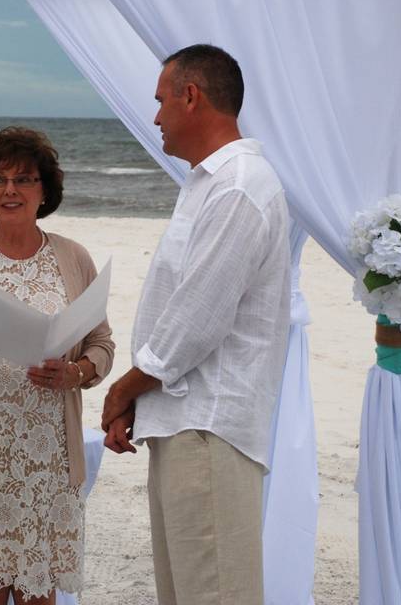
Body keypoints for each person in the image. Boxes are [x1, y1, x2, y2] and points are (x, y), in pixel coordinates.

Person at [101, 45, 290, 605]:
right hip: (182, 417)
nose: (156, 116)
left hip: (208, 425)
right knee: (186, 591)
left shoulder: (237, 185)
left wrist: (124, 387)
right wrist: (142, 398)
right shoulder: (208, 184)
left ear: (191, 96)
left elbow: (199, 317)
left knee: (214, 593)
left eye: (161, 101)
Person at [0, 126, 115, 605]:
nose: (10, 190)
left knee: (39, 595)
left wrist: (75, 373)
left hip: (47, 452)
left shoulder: (73, 258)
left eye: (24, 179)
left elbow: (102, 345)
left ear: (44, 191)